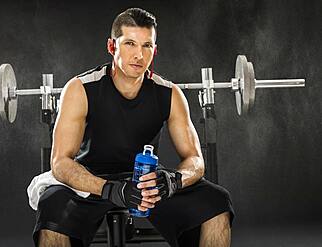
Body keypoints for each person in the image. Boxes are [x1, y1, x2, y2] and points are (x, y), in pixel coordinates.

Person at [32, 7, 234, 247]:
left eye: (147, 46)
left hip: (146, 182)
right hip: (92, 182)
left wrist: (171, 181)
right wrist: (111, 190)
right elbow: (60, 162)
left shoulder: (170, 94)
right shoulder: (80, 89)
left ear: (155, 50)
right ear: (112, 47)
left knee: (216, 201)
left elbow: (195, 160)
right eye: (130, 44)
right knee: (52, 205)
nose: (139, 55)